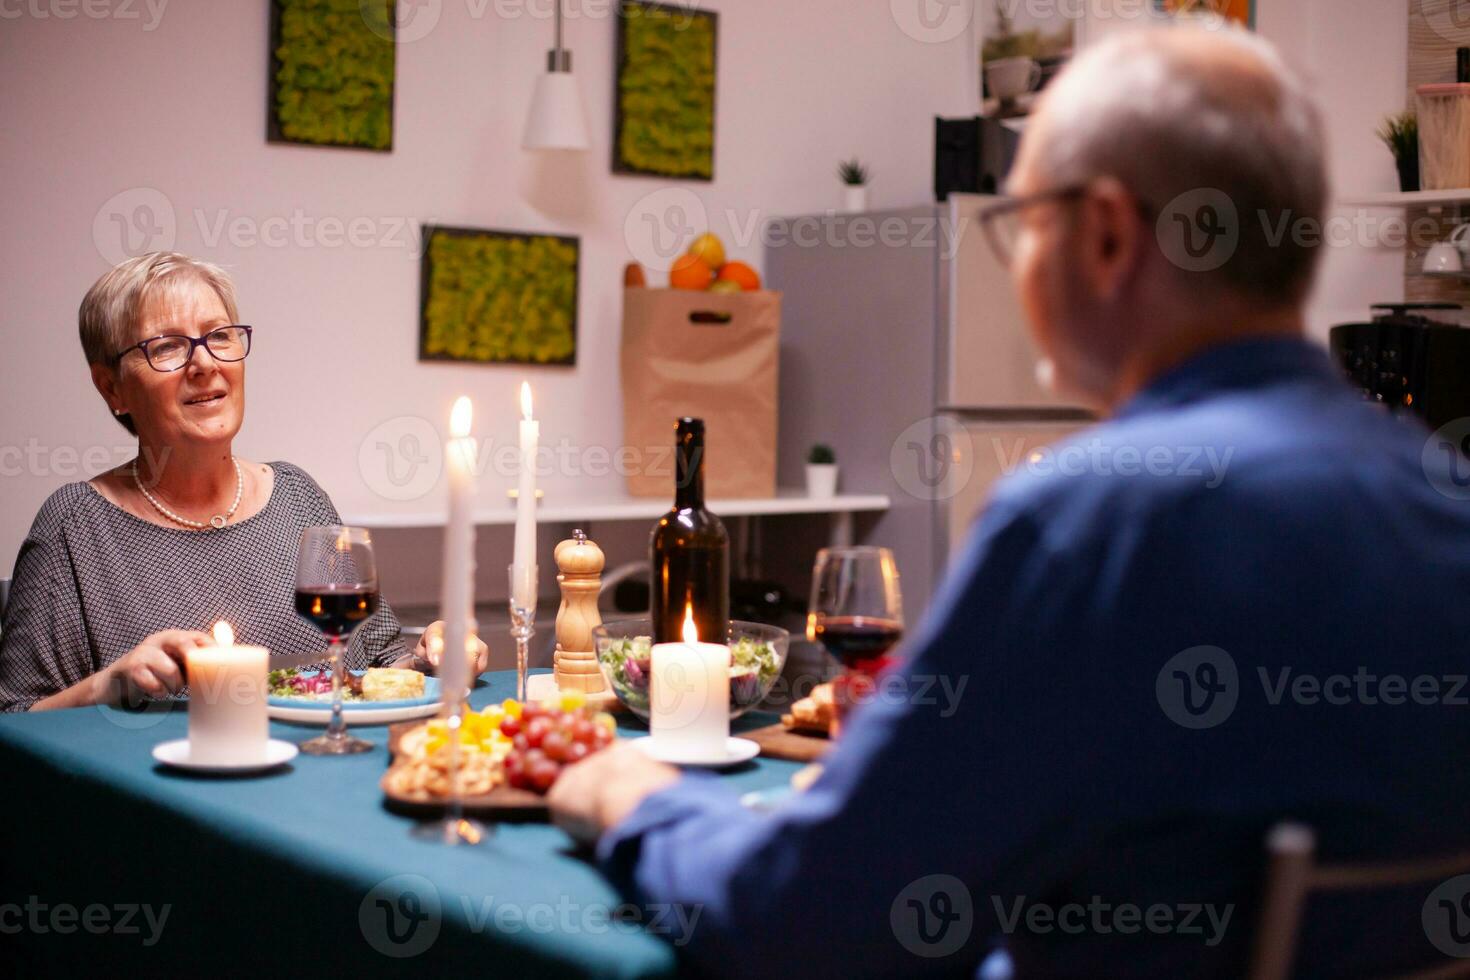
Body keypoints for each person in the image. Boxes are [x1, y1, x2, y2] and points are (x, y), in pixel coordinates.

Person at [549, 26, 1470, 978]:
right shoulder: (1446, 507)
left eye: (1022, 225)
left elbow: (809, 918)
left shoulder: (1090, 523)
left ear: (1107, 235)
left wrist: (633, 800)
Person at [0, 252, 485, 712]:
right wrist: (111, 684)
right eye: (167, 346)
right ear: (112, 388)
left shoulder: (299, 498)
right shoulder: (75, 525)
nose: (205, 363)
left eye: (220, 336)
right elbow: (16, 719)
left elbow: (376, 666)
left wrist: (428, 659)